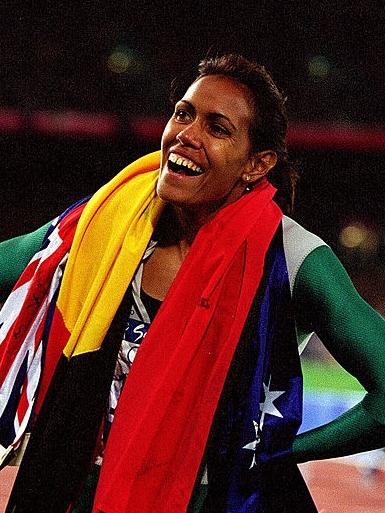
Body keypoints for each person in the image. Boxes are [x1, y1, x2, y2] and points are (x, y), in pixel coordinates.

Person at [1, 53, 385, 513]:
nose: (187, 135)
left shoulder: (293, 258)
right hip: (75, 493)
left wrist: (273, 452)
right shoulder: (104, 224)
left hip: (207, 501)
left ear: (256, 164)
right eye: (183, 114)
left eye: (217, 128)